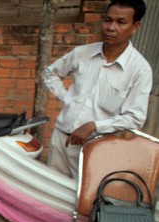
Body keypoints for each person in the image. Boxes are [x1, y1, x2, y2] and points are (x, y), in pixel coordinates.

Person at [45, 0, 151, 181]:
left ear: (135, 27)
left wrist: (94, 126)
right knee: (50, 194)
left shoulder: (140, 70)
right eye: (108, 20)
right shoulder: (82, 53)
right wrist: (67, 97)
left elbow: (135, 117)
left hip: (96, 148)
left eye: (121, 22)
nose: (110, 27)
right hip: (62, 140)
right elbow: (51, 74)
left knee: (85, 201)